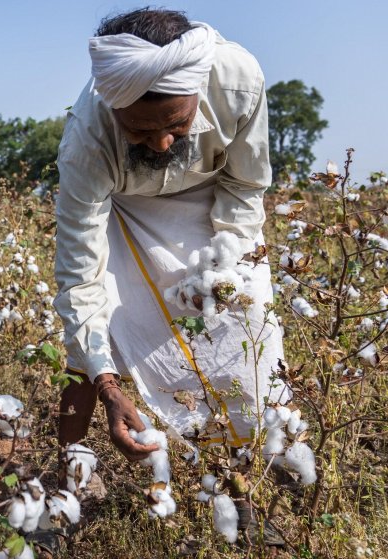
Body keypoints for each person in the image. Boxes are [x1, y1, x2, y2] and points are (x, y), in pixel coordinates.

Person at [53, 8, 287, 543]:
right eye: (139, 129)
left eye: (177, 125)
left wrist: (225, 264)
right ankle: (65, 479)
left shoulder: (236, 78)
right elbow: (80, 277)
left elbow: (247, 185)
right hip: (123, 209)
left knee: (241, 335)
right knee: (87, 341)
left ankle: (239, 497)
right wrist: (109, 386)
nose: (161, 144)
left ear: (198, 94)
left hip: (214, 207)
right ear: (114, 112)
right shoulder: (87, 142)